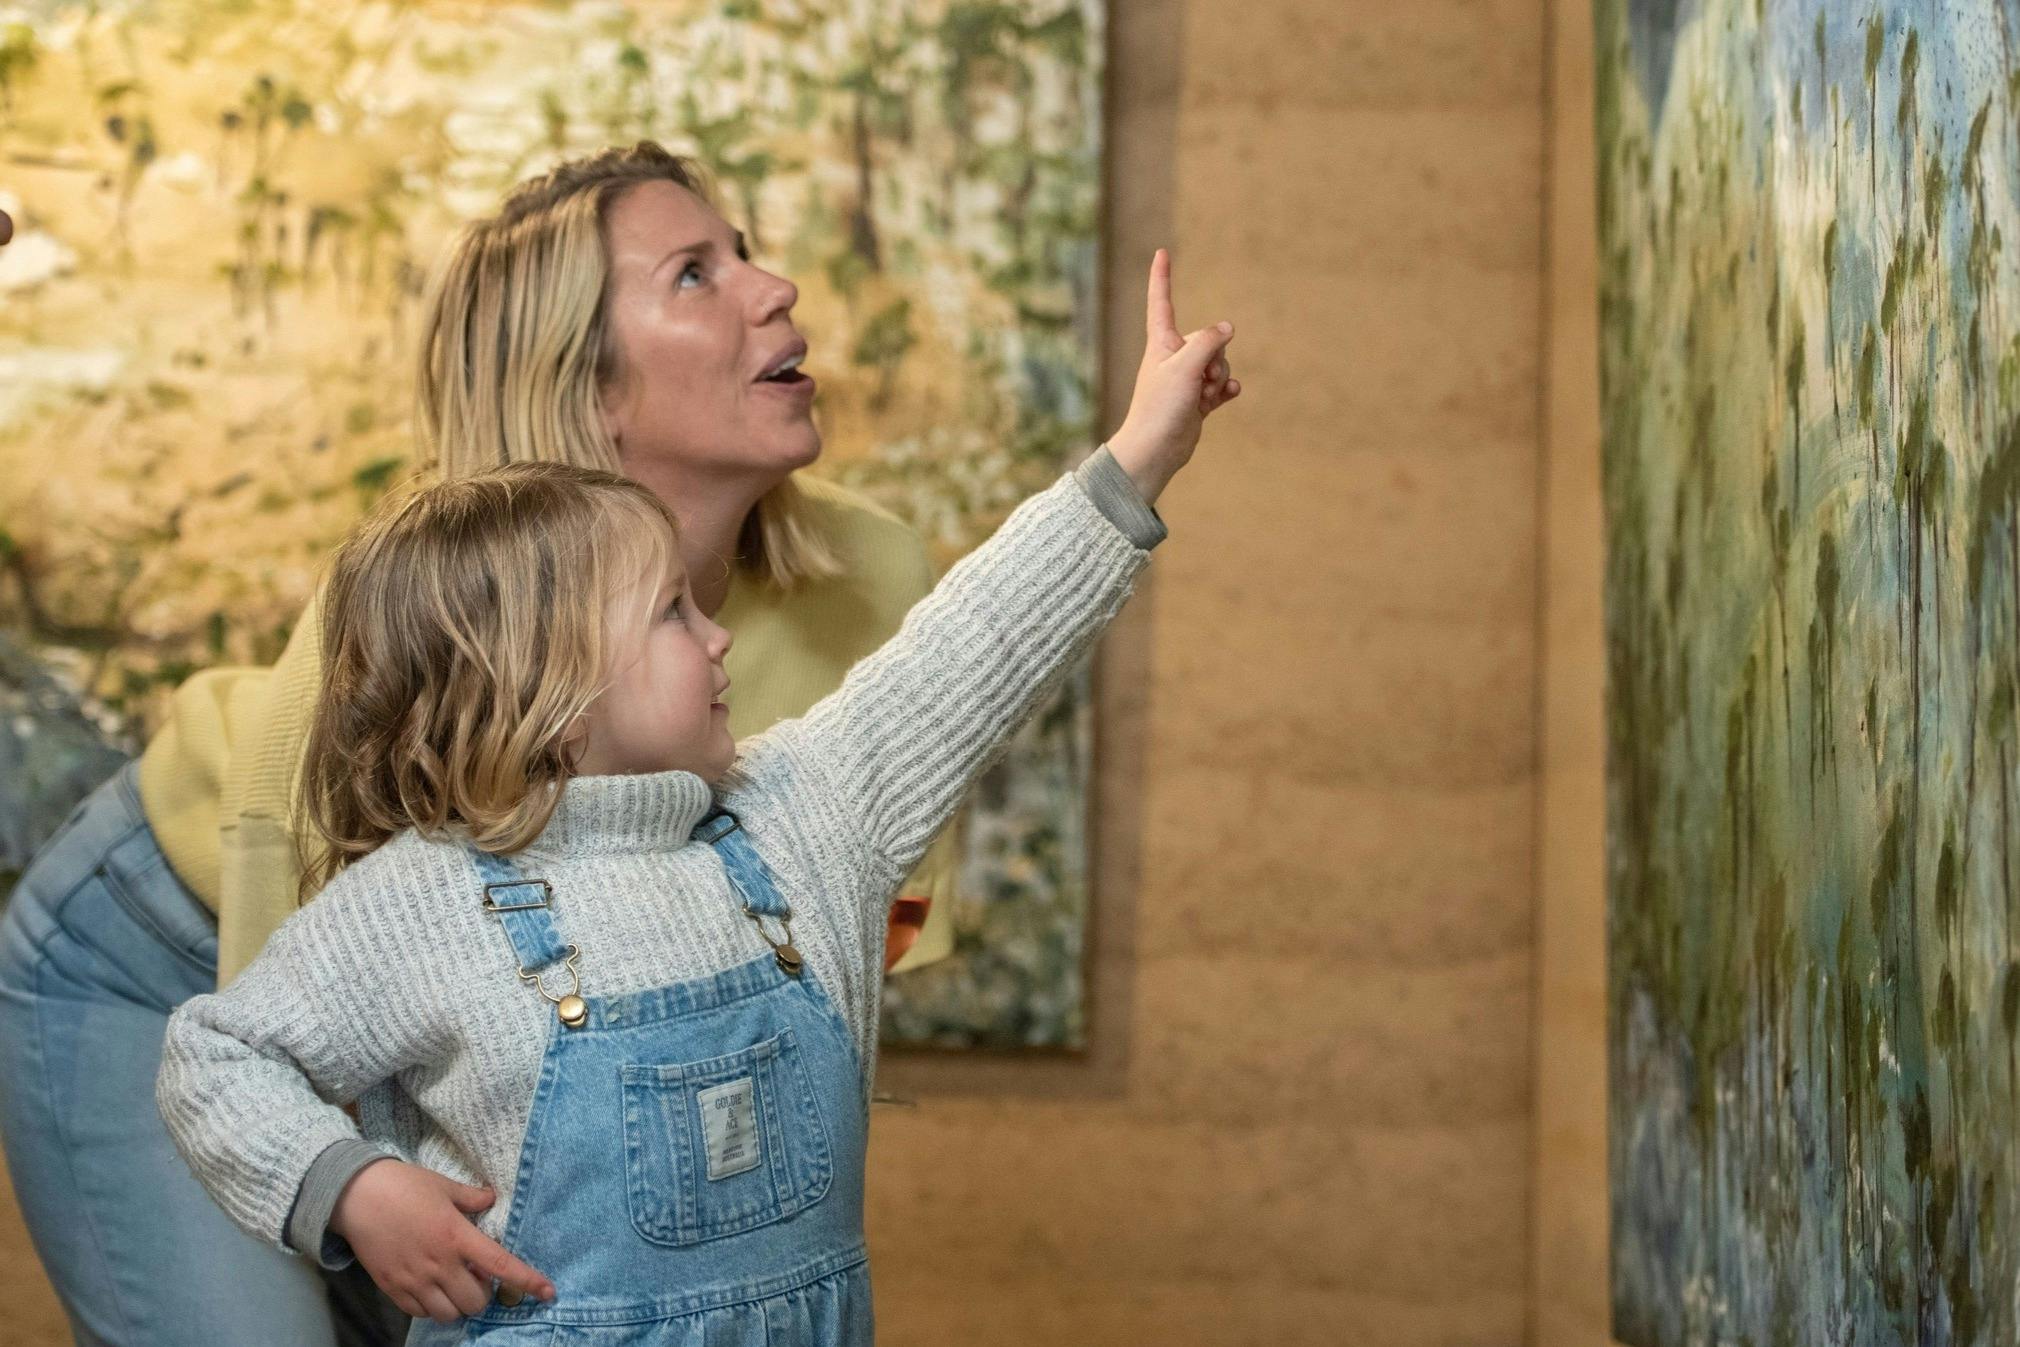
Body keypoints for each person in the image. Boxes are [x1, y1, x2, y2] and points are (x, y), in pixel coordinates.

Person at [0, 142, 1129, 1347]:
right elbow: (285, 1015)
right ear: (588, 389)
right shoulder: (413, 626)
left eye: (743, 251)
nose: (775, 287)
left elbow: (830, 953)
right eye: (693, 274)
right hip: (175, 956)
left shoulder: (873, 577)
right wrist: (353, 1191)